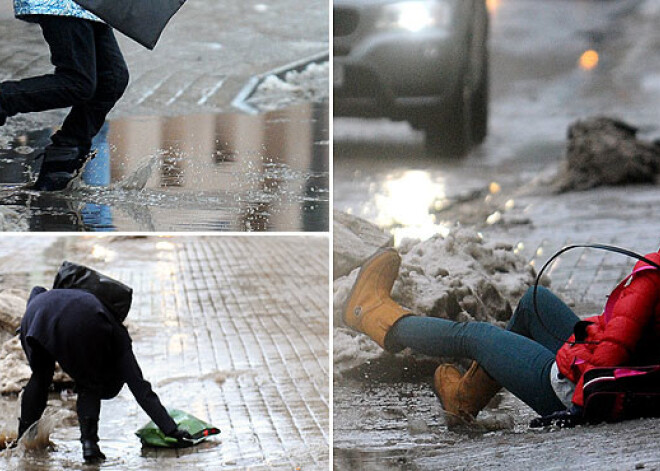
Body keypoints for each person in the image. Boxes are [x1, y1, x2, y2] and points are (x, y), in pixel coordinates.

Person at [343, 247, 660, 426]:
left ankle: (371, 313)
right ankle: (463, 398)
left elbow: (605, 366)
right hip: (616, 372)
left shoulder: (652, 277)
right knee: (535, 302)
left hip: (572, 388)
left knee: (474, 336)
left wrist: (576, 412)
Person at [17, 262, 191, 462]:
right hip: (75, 320)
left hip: (34, 314)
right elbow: (140, 387)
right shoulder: (116, 333)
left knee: (40, 376)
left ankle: (23, 440)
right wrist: (170, 429)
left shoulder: (72, 295)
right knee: (89, 383)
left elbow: (37, 291)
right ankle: (90, 445)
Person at [0, 0, 129, 191]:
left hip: (89, 6)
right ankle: (4, 99)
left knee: (112, 79)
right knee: (78, 82)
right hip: (62, 3)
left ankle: (62, 159)